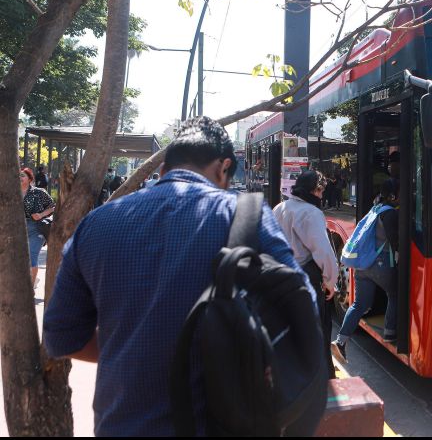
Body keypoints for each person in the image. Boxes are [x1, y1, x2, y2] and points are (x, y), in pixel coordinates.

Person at [43, 117, 311, 436]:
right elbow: (303, 306)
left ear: (161, 171)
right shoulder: (247, 216)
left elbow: (60, 338)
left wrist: (134, 345)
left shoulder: (95, 225)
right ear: (223, 168)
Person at [273, 170, 339, 379]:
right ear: (313, 190)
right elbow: (323, 252)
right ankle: (319, 377)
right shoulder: (311, 213)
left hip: (280, 277)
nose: (321, 195)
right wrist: (330, 281)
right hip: (305, 280)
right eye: (320, 191)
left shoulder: (279, 208)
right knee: (316, 330)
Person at [331, 178, 399, 364]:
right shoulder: (391, 214)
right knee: (395, 294)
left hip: (363, 265)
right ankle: (390, 333)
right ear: (393, 195)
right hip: (381, 264)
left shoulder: (375, 209)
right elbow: (396, 241)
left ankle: (340, 341)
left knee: (359, 304)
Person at [20, 167, 55, 288]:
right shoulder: (11, 192)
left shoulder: (39, 192)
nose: (19, 178)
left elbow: (52, 207)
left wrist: (41, 214)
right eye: (18, 175)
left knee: (32, 256)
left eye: (22, 175)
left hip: (36, 228)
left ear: (30, 179)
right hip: (17, 229)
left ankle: (29, 289)